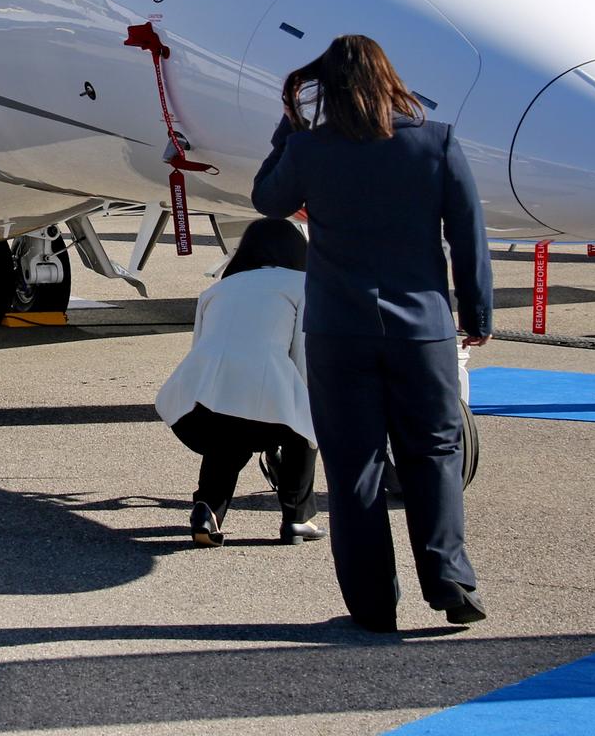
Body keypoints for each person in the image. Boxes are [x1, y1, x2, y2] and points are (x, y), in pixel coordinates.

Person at [250, 35, 494, 633]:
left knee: (353, 467)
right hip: (423, 330)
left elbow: (267, 200)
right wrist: (477, 315)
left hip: (340, 329)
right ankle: (451, 581)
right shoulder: (437, 143)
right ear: (390, 79)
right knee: (433, 454)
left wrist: (290, 127)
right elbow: (468, 237)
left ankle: (374, 604)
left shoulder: (310, 149)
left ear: (327, 89)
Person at [156, 218, 324, 548]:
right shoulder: (303, 286)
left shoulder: (217, 289)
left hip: (194, 406)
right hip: (261, 402)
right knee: (305, 426)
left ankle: (207, 510)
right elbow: (303, 358)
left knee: (228, 435)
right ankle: (297, 517)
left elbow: (200, 347)